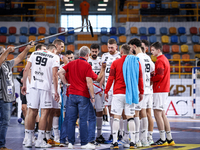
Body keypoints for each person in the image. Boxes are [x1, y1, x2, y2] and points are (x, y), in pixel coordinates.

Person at [104, 44, 144, 149]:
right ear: (130, 51)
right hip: (130, 93)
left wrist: (106, 91)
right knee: (130, 117)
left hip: (117, 93)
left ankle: (115, 142)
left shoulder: (115, 62)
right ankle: (133, 142)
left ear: (121, 52)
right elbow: (140, 78)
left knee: (116, 117)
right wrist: (141, 92)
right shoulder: (136, 62)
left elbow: (110, 78)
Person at [58, 46, 97, 149]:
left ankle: (70, 142)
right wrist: (92, 96)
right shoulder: (87, 65)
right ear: (87, 55)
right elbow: (89, 82)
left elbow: (60, 72)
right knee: (83, 120)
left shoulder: (71, 63)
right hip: (82, 95)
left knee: (71, 119)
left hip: (71, 95)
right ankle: (84, 143)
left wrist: (66, 83)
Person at [21, 44, 60, 148]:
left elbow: (26, 70)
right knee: (44, 113)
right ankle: (39, 141)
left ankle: (29, 140)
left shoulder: (34, 53)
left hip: (33, 86)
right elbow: (55, 75)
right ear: (53, 50)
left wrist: (24, 85)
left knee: (31, 111)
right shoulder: (55, 57)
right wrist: (55, 91)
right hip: (45, 87)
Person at [0, 43, 34, 150]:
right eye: (3, 52)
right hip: (1, 96)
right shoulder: (1, 63)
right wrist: (7, 51)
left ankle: (1, 145)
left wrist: (27, 49)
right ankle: (1, 145)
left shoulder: (7, 63)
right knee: (4, 122)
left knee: (5, 122)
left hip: (7, 97)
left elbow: (19, 58)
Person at [150, 42, 175, 146]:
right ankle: (169, 139)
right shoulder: (165, 59)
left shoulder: (159, 61)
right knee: (162, 113)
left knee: (157, 113)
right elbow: (161, 74)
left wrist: (150, 78)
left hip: (160, 89)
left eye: (153, 50)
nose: (151, 52)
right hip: (164, 89)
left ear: (158, 50)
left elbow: (159, 77)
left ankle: (162, 139)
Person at [45, 39, 65, 145]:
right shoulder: (51, 56)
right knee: (48, 112)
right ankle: (47, 137)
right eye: (61, 46)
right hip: (49, 87)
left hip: (56, 87)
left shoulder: (59, 58)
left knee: (56, 111)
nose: (62, 49)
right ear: (56, 46)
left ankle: (56, 137)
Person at [101, 38, 121, 142]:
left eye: (112, 47)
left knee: (119, 111)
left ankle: (120, 132)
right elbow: (102, 71)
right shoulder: (104, 56)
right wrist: (101, 85)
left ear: (116, 47)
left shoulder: (120, 56)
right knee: (110, 111)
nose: (110, 49)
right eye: (108, 47)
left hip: (117, 86)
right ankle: (113, 133)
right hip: (108, 87)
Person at [88, 44, 105, 144]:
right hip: (89, 87)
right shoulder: (87, 61)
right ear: (90, 51)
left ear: (98, 51)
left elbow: (103, 74)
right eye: (93, 51)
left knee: (99, 110)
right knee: (87, 111)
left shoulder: (100, 61)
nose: (94, 53)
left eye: (96, 51)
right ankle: (86, 134)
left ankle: (99, 134)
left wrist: (101, 87)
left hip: (98, 88)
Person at [59, 50, 75, 147]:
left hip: (75, 94)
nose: (70, 59)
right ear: (64, 58)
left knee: (72, 117)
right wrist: (65, 83)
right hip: (67, 94)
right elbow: (58, 74)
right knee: (67, 117)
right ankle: (64, 138)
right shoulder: (62, 67)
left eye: (71, 57)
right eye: (68, 58)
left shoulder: (75, 65)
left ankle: (69, 138)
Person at [141, 39, 155, 145]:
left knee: (145, 114)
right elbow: (153, 72)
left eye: (142, 46)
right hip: (148, 90)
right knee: (147, 114)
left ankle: (146, 137)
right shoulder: (149, 59)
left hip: (144, 91)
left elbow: (153, 73)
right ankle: (148, 137)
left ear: (146, 48)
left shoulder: (141, 57)